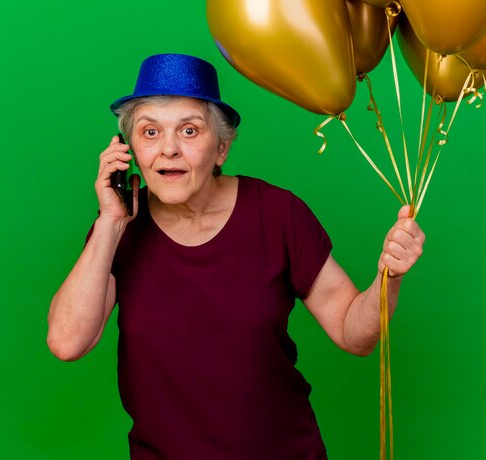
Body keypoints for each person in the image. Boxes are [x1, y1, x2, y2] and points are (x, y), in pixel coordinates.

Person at [47, 54, 425, 459]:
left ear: (222, 148)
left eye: (189, 131)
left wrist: (390, 276)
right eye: (150, 132)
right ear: (130, 150)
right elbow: (68, 343)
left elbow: (355, 335)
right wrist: (109, 222)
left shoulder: (278, 214)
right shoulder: (120, 227)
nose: (168, 149)